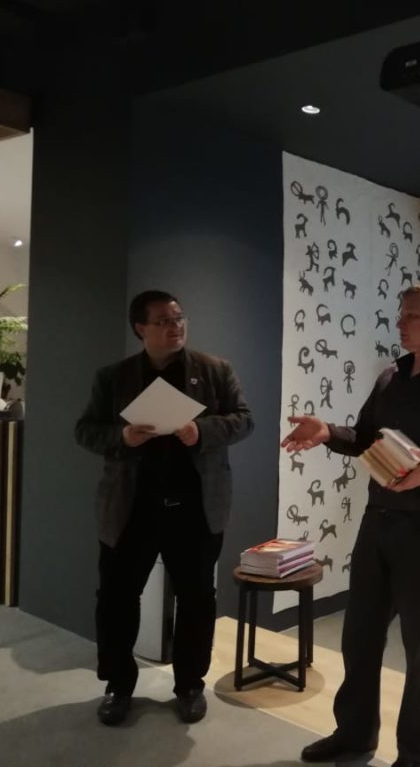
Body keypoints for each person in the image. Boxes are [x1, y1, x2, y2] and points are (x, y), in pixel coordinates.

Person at [281, 282, 420, 767]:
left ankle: (417, 753)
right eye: (401, 316)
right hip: (378, 522)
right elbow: (365, 438)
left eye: (411, 316)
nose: (399, 324)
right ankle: (354, 734)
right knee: (359, 636)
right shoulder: (391, 376)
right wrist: (327, 432)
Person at [75, 290, 253, 726]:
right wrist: (121, 437)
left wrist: (202, 431)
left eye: (179, 318)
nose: (175, 327)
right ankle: (118, 685)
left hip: (195, 508)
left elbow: (244, 420)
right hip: (130, 508)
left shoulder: (215, 370)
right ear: (140, 328)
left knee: (197, 599)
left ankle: (190, 684)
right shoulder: (113, 377)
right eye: (163, 321)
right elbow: (85, 430)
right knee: (116, 599)